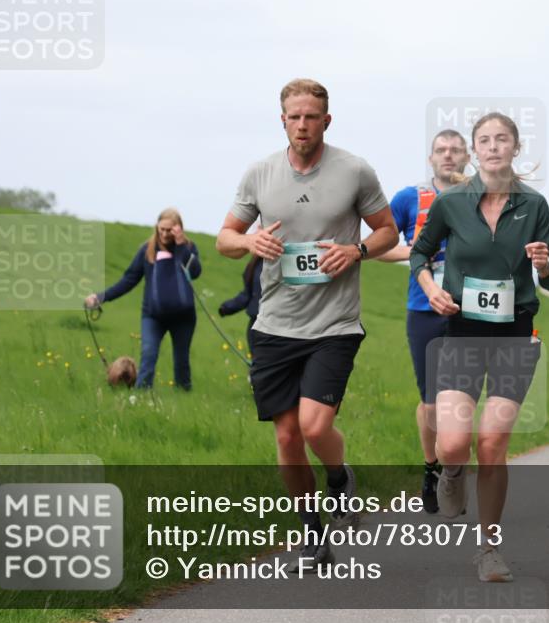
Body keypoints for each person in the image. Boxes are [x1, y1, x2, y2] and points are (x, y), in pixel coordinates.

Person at [215, 78, 398, 571]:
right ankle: (313, 537)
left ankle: (338, 476)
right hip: (274, 323)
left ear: (326, 121)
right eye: (294, 116)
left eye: (311, 116)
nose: (302, 125)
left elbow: (387, 231)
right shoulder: (260, 174)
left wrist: (355, 250)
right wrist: (250, 243)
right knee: (287, 438)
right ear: (282, 120)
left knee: (316, 427)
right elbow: (225, 238)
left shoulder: (354, 171)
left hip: (335, 325)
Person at [410, 111, 549, 583]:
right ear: (475, 151)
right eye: (485, 140)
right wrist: (431, 287)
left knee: (492, 444)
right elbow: (419, 252)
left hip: (515, 333)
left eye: (502, 139)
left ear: (516, 148)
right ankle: (451, 472)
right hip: (463, 334)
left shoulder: (534, 204)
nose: (494, 146)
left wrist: (543, 264)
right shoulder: (452, 202)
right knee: (454, 443)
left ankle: (489, 549)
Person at [377, 129, 471, 514]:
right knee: (431, 404)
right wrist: (409, 250)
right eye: (441, 150)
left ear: (467, 157)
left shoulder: (479, 196)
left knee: (461, 400)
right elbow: (375, 245)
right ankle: (431, 468)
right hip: (423, 309)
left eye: (455, 150)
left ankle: (454, 471)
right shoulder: (410, 198)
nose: (448, 156)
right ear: (430, 158)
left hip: (470, 312)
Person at [84, 208, 201, 390]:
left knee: (181, 362)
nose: (163, 233)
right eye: (160, 229)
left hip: (183, 317)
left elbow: (195, 272)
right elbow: (128, 280)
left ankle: (184, 395)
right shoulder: (147, 251)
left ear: (178, 229)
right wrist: (100, 297)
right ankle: (140, 397)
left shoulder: (188, 248)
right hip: (153, 315)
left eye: (168, 230)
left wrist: (181, 246)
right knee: (148, 355)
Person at [218, 256, 263, 353]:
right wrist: (226, 307)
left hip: (279, 329)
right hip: (256, 328)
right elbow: (247, 294)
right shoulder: (256, 263)